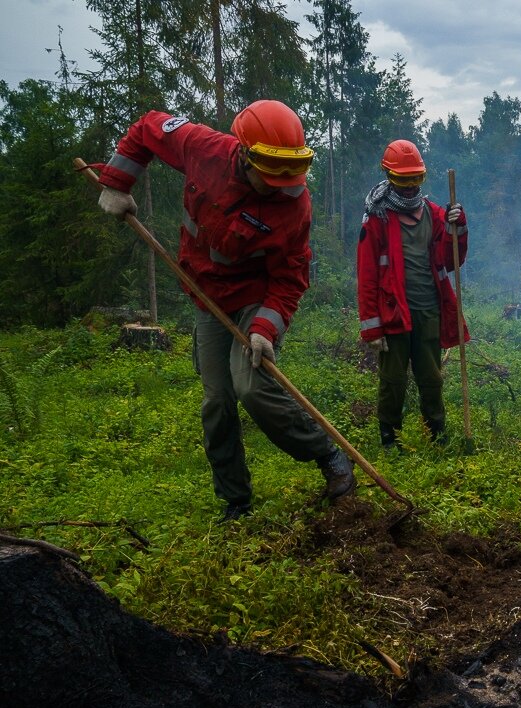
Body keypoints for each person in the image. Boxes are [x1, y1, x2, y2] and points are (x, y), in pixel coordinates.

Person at [96, 100, 356, 522]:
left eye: (287, 173)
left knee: (251, 387)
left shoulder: (295, 203)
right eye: (269, 174)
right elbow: (147, 128)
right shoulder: (202, 147)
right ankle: (236, 500)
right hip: (208, 296)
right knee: (217, 400)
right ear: (245, 153)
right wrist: (117, 182)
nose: (278, 185)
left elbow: (291, 277)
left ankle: (326, 454)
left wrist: (265, 328)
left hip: (256, 298)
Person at [356, 139, 468, 450]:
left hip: (429, 310)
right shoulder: (377, 218)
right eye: (403, 180)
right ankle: (390, 439)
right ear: (389, 177)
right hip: (393, 314)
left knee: (431, 378)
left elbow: (451, 260)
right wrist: (372, 328)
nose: (409, 187)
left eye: (415, 179)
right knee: (393, 380)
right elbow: (366, 275)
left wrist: (458, 228)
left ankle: (437, 434)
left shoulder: (435, 214)